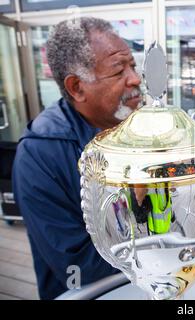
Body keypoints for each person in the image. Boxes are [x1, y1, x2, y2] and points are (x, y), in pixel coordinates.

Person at [12, 17, 142, 299]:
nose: (135, 78)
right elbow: (78, 268)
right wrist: (137, 198)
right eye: (119, 71)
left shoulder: (136, 127)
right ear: (76, 87)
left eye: (133, 65)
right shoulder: (40, 155)